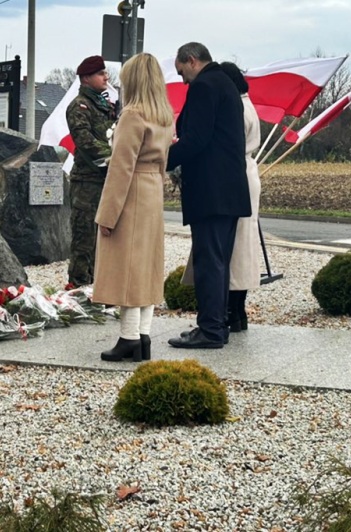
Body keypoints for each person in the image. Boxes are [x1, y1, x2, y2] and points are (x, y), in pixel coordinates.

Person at [166, 43, 251, 349]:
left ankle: (211, 330)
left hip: (211, 190)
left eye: (182, 73)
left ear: (191, 60)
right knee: (218, 261)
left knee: (209, 262)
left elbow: (196, 139)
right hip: (227, 190)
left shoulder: (204, 85)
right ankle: (215, 324)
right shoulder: (225, 83)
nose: (183, 81)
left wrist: (161, 159)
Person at [93, 53, 174, 362]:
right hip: (152, 191)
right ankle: (143, 336)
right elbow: (163, 162)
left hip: (131, 192)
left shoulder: (133, 115)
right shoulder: (164, 115)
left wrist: (107, 214)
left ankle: (128, 338)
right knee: (147, 266)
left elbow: (121, 168)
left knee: (127, 266)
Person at [182, 62, 261, 333]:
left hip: (226, 178)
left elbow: (211, 140)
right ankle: (233, 312)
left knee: (225, 253)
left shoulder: (235, 107)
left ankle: (225, 314)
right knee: (234, 250)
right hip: (240, 177)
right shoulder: (245, 105)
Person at [65, 55, 117, 287]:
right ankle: (78, 289)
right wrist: (116, 158)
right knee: (84, 239)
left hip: (106, 180)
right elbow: (85, 142)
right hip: (87, 183)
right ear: (86, 78)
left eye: (105, 72)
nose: (106, 77)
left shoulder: (106, 105)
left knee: (105, 239)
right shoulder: (79, 106)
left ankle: (99, 287)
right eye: (100, 73)